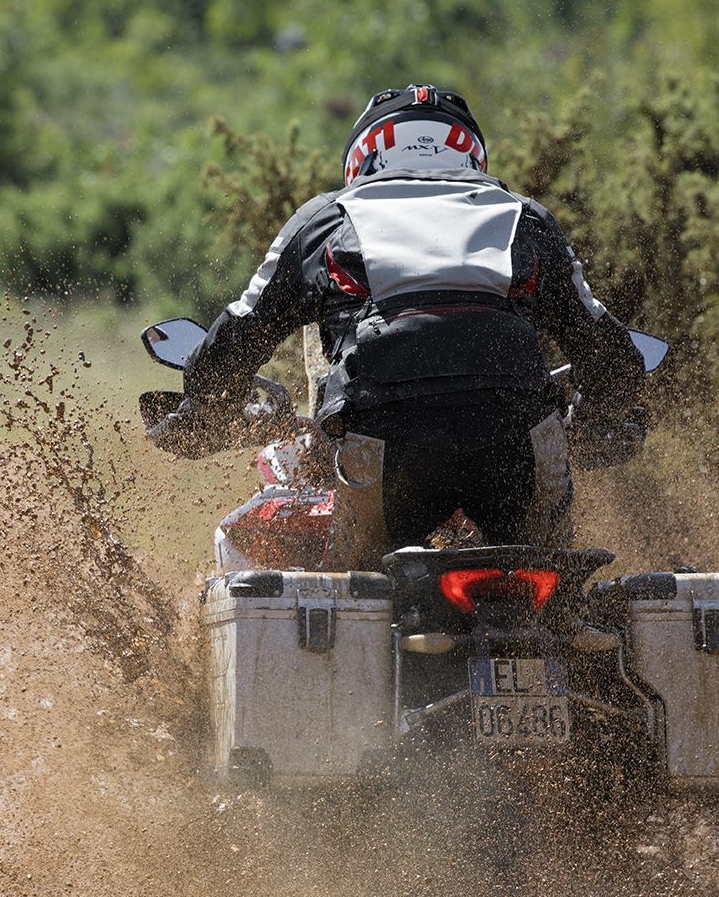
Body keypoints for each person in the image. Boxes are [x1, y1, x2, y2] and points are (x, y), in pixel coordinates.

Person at [170, 85, 644, 549]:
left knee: (356, 596)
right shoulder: (526, 216)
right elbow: (614, 360)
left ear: (366, 156)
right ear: (470, 155)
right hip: (516, 447)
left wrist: (205, 409)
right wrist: (598, 417)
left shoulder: (325, 218)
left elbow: (241, 330)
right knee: (556, 587)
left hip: (385, 449)